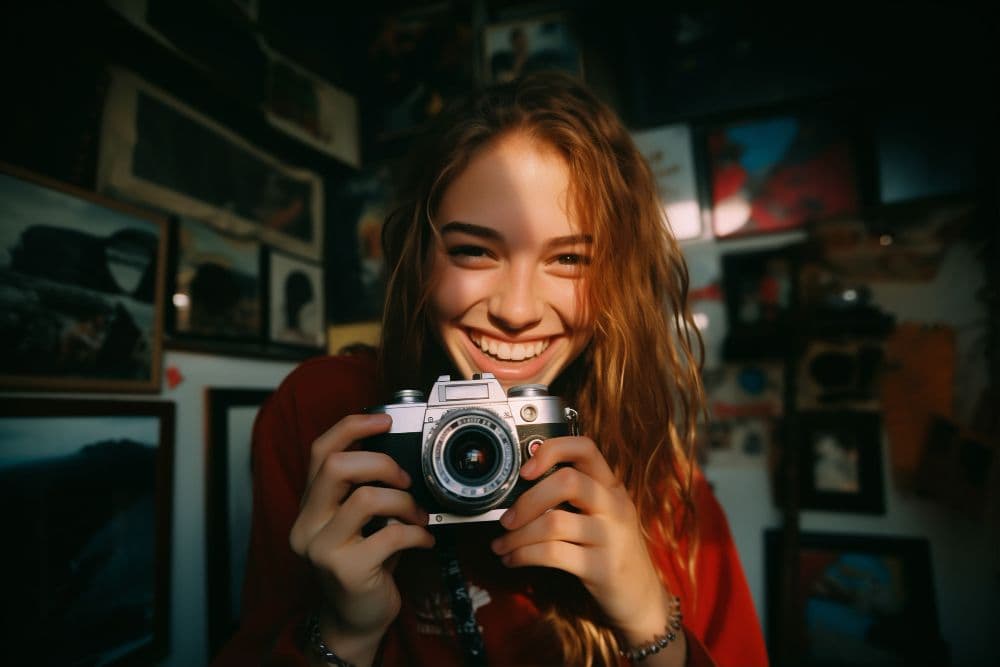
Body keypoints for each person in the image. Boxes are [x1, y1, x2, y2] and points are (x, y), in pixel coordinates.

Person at [213, 72, 768, 667]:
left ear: (618, 278)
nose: (517, 310)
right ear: (419, 257)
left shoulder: (658, 478)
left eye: (570, 258)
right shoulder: (326, 413)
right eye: (474, 251)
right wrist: (345, 632)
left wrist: (648, 620)